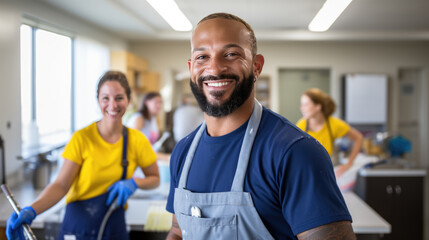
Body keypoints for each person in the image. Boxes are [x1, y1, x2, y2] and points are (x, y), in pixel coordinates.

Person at [166, 13, 355, 240]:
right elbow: (178, 232)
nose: (214, 68)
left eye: (231, 54)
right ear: (191, 68)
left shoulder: (295, 152)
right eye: (202, 57)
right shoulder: (183, 153)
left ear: (256, 67)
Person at [6, 71, 160, 240]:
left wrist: (134, 182)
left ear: (128, 101)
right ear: (98, 101)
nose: (112, 105)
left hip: (114, 228)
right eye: (105, 98)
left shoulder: (137, 140)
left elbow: (154, 178)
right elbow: (61, 185)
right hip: (78, 226)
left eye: (119, 98)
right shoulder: (82, 138)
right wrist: (33, 209)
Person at [297, 88, 364, 177]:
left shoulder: (334, 124)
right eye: (301, 104)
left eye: (306, 104)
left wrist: (349, 164)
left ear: (318, 107)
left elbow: (358, 138)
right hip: (307, 173)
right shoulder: (301, 126)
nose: (301, 108)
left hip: (327, 173)